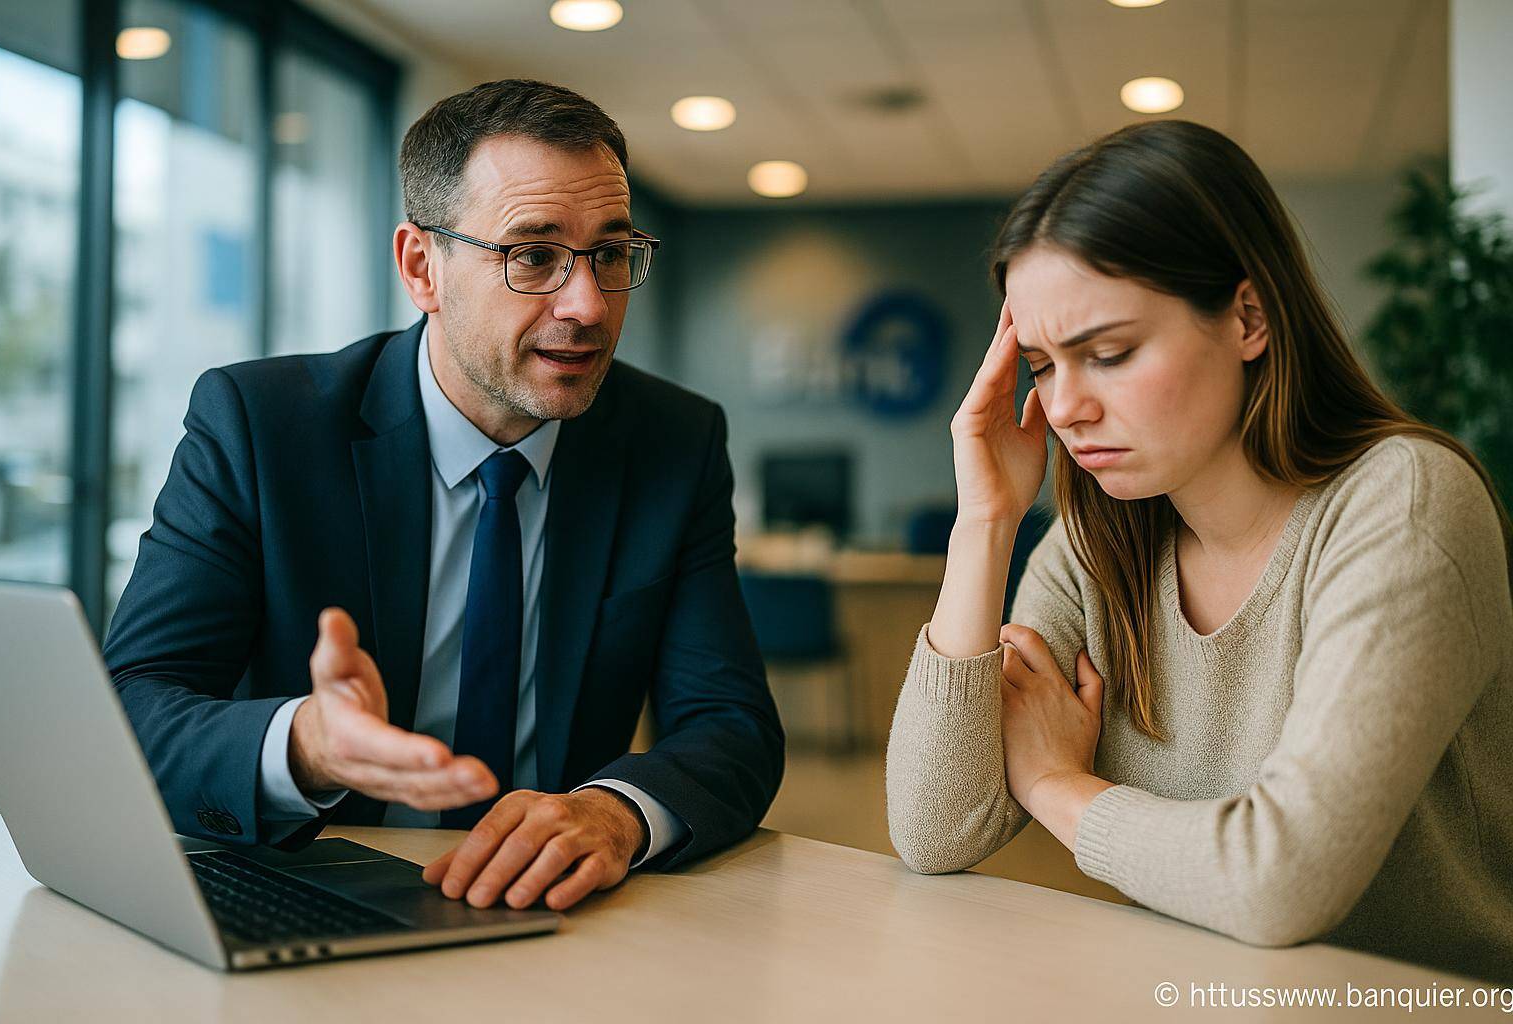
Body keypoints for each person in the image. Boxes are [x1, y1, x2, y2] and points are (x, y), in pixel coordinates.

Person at [104, 79, 783, 914]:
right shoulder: (261, 426)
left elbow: (732, 725)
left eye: (610, 255)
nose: (588, 304)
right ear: (422, 268)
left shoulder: (672, 443)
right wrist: (307, 746)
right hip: (305, 891)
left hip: (550, 912)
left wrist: (615, 815)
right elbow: (132, 704)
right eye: (533, 256)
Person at [885, 119, 1513, 983]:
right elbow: (935, 828)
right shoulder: (1096, 541)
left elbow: (1278, 883)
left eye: (1107, 354)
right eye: (1040, 365)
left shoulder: (1402, 505)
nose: (1065, 408)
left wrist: (1054, 784)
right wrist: (985, 521)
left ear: (1249, 316)